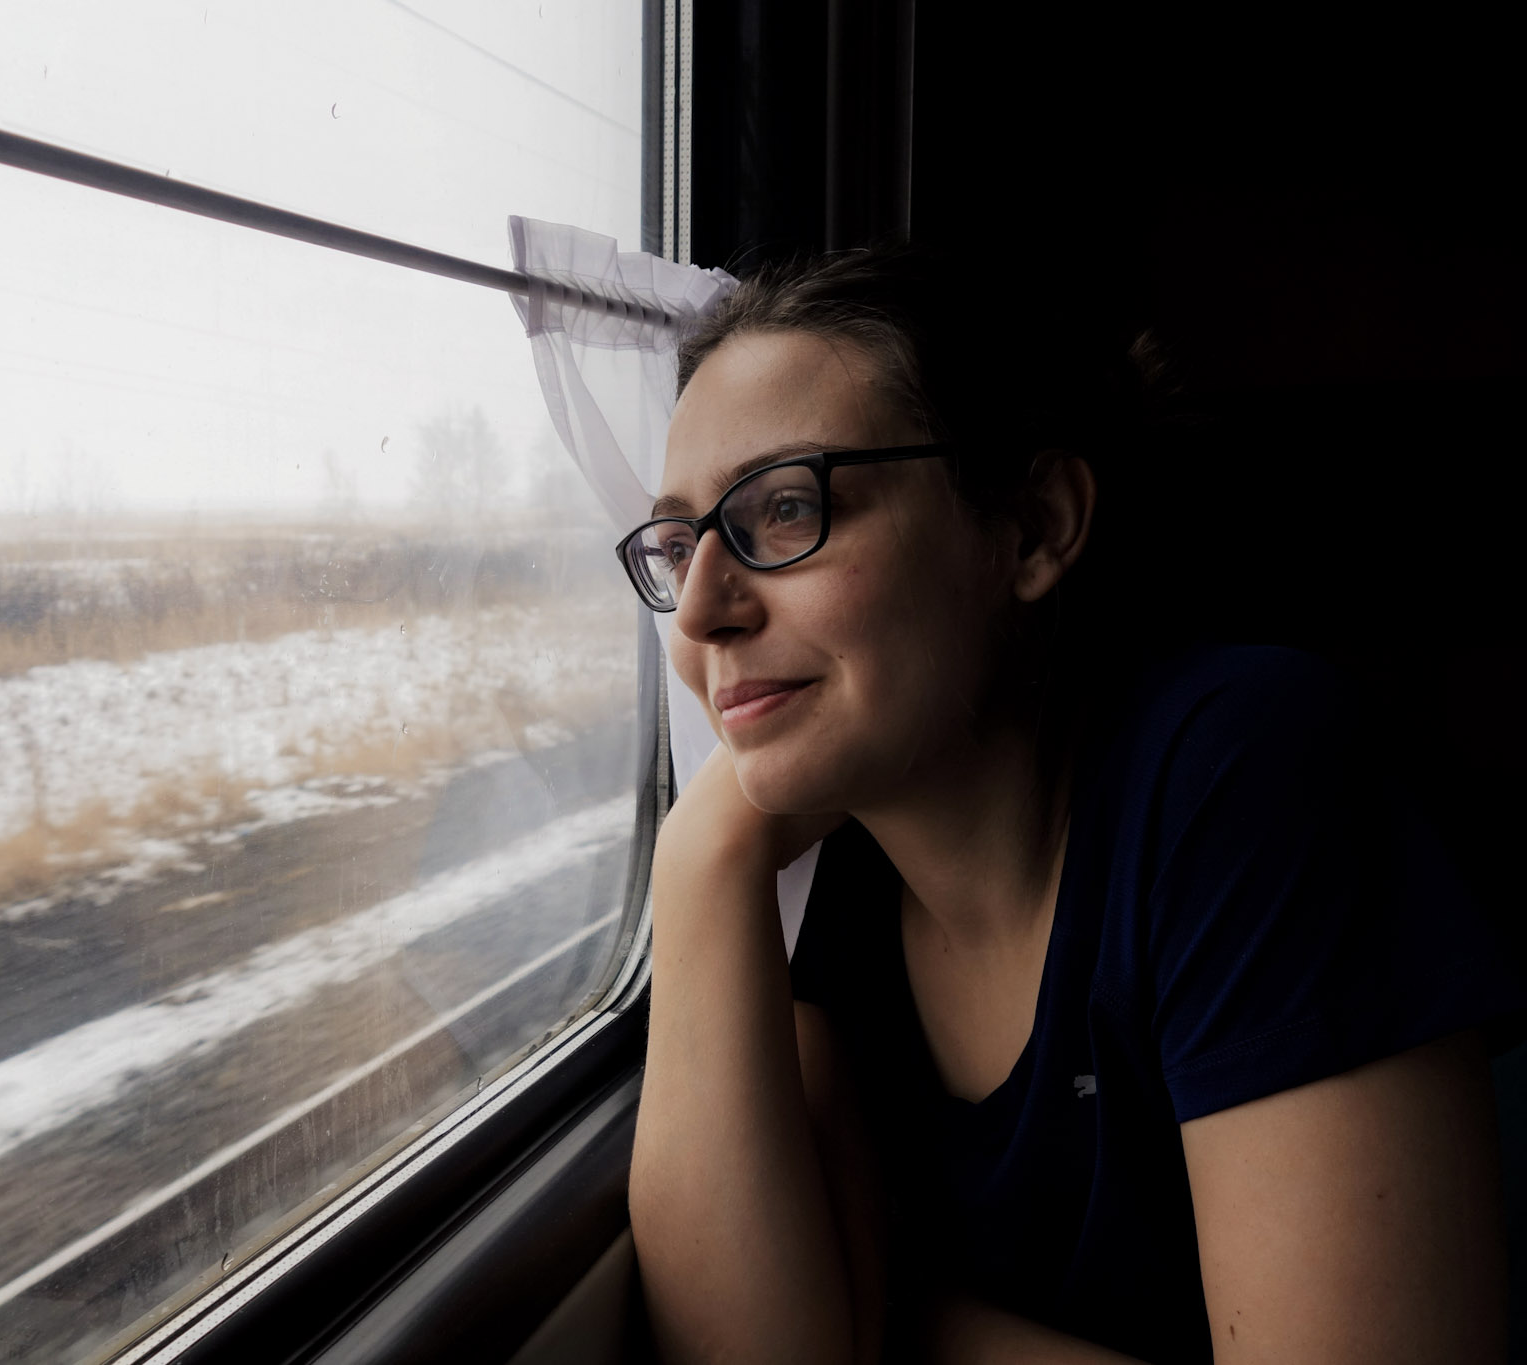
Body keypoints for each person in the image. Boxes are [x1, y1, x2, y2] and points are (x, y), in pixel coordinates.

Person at [619, 245, 1527, 1364]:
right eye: (675, 543)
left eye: (786, 508)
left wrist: (899, 1322)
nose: (699, 609)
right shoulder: (823, 901)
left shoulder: (1243, 771)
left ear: (1034, 526)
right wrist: (699, 860)